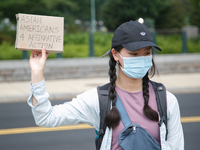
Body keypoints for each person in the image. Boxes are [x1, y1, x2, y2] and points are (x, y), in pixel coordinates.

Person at [28, 20, 184, 150]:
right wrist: (36, 73)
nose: (141, 59)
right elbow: (46, 117)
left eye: (147, 53)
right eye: (134, 54)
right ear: (115, 54)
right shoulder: (98, 100)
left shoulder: (167, 100)